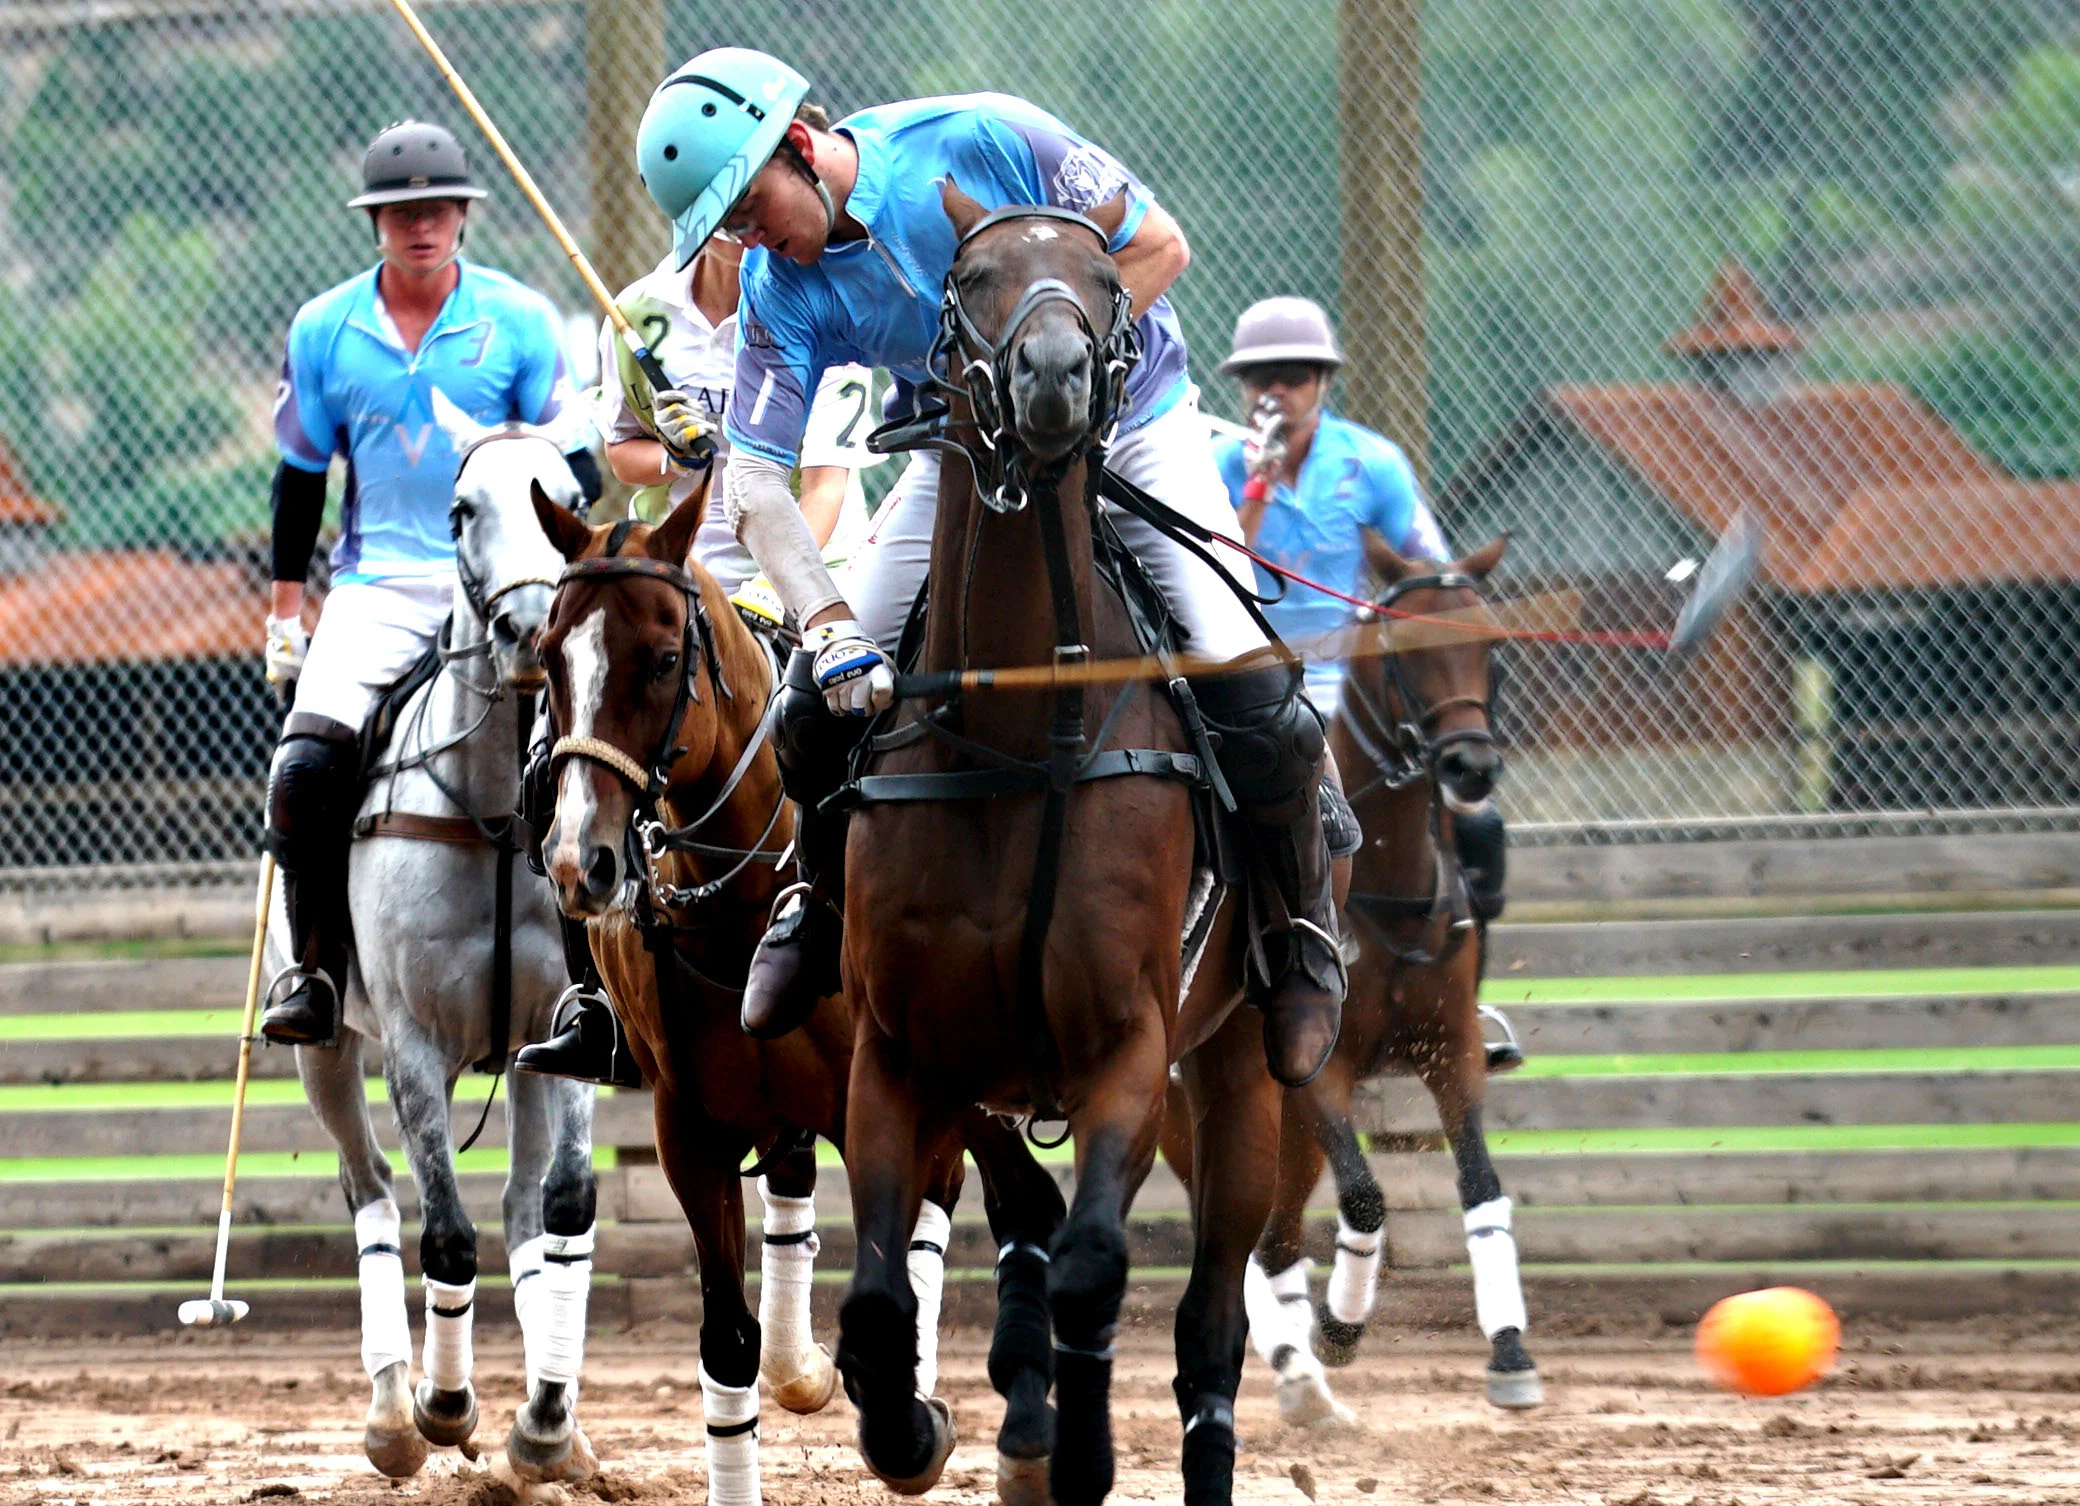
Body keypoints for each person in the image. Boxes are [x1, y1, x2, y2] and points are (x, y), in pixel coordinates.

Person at [633, 50, 1345, 1086]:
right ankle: (814, 896)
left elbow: (1157, 247)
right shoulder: (780, 287)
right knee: (805, 706)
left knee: (1252, 686)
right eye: (729, 228)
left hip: (1129, 420)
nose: (750, 238)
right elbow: (752, 477)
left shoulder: (985, 135)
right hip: (962, 451)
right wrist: (826, 622)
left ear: (798, 144)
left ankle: (1299, 937)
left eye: (749, 206)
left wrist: (1068, 384)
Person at [514, 194, 884, 1086]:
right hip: (670, 575)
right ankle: (599, 1007)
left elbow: (827, 484)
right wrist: (679, 450)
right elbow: (623, 451)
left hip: (808, 569)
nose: (730, 222)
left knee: (860, 738)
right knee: (554, 757)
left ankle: (886, 958)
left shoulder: (823, 298)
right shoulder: (637, 315)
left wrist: (774, 583)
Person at [263, 121, 588, 1046]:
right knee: (305, 767)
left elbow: (574, 475)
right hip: (376, 585)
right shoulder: (324, 328)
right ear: (376, 222)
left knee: (596, 750)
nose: (422, 225)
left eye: (439, 208)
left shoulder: (518, 319)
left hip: (508, 583)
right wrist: (288, 614)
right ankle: (316, 971)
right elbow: (299, 478)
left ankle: (598, 981)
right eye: (403, 212)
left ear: (463, 217)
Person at [1211, 296, 1522, 1073]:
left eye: (1291, 377)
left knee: (1477, 824)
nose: (1273, 393)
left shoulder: (1373, 465)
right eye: (1259, 380)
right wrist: (1252, 490)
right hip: (1261, 687)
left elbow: (1431, 575)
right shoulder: (1216, 469)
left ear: (1321, 381)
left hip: (1367, 697)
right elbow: (1212, 581)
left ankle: (1468, 1003)